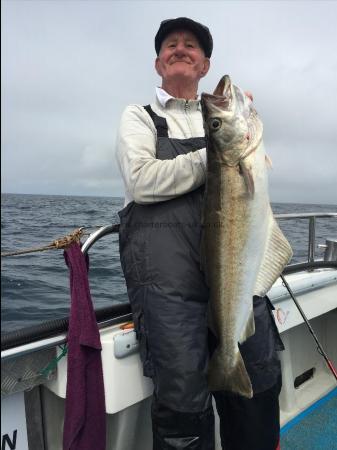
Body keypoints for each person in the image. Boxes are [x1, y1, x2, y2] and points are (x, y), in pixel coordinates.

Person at [116, 17, 283, 450]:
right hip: (170, 295)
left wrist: (235, 134)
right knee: (182, 407)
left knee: (257, 394)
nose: (180, 49)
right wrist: (218, 153)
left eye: (191, 45)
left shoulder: (229, 121)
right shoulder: (141, 118)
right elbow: (141, 181)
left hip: (239, 280)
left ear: (205, 64)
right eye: (171, 45)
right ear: (158, 63)